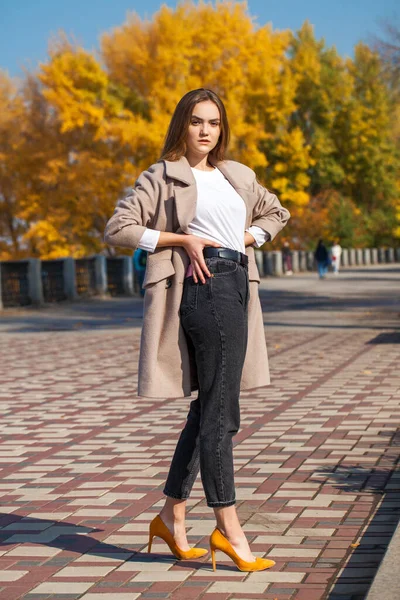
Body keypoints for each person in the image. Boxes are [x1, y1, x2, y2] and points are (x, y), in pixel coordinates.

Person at [104, 88, 290, 572]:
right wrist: (182, 240)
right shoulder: (163, 176)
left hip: (237, 285)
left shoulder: (238, 175)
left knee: (210, 406)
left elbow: (277, 213)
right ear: (181, 126)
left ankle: (171, 517)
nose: (205, 131)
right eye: (195, 121)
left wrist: (244, 239)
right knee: (222, 415)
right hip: (202, 289)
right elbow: (118, 229)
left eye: (213, 122)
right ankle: (229, 529)